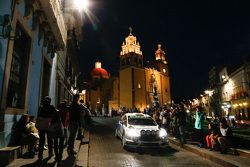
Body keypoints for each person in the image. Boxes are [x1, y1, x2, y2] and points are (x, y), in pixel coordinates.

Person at [37, 96, 56, 161]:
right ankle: (50, 153)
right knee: (50, 140)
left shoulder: (41, 107)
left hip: (41, 126)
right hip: (49, 125)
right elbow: (55, 115)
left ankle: (40, 156)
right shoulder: (52, 107)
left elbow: (38, 115)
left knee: (41, 141)